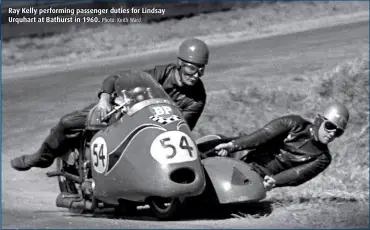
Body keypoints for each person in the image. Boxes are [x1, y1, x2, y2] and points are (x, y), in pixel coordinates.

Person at [11, 38, 209, 171]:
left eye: (200, 70)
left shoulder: (197, 98)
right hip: (122, 111)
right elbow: (117, 78)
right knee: (68, 122)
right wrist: (105, 99)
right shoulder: (161, 73)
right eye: (191, 68)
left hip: (151, 129)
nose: (195, 75)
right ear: (180, 64)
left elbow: (181, 128)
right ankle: (41, 158)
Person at [213, 102, 350, 191]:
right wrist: (233, 146)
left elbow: (298, 174)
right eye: (330, 126)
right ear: (320, 121)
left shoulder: (322, 158)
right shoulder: (294, 123)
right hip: (243, 155)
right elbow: (263, 134)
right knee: (215, 144)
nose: (332, 133)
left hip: (257, 176)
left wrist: (274, 181)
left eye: (338, 132)